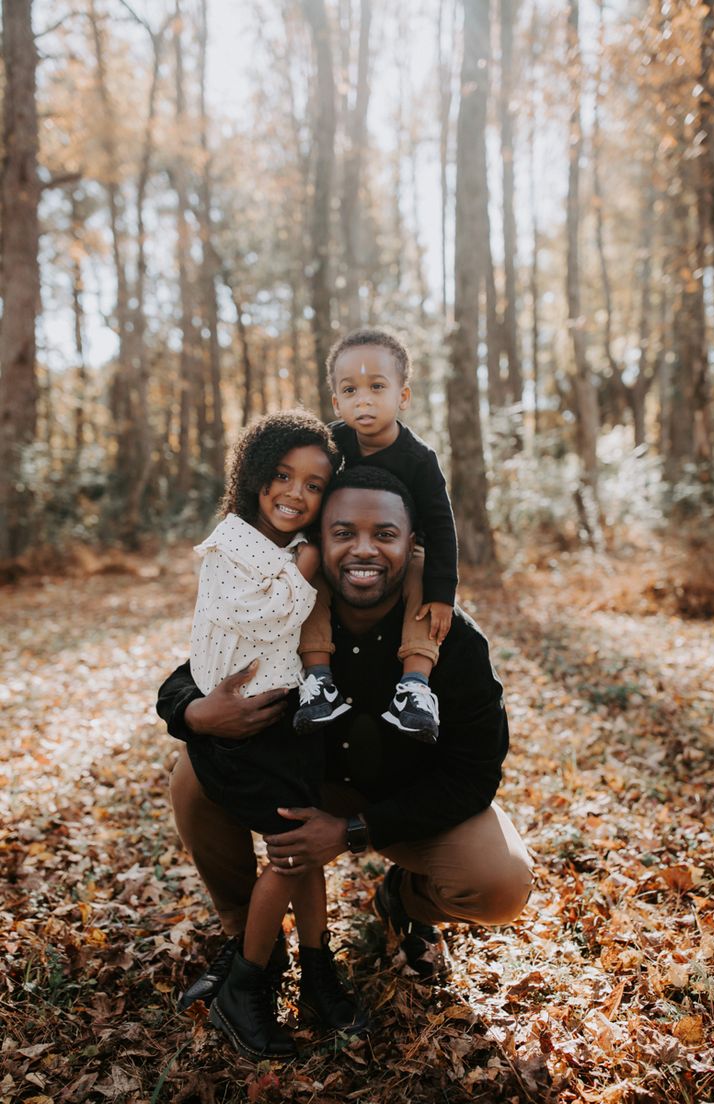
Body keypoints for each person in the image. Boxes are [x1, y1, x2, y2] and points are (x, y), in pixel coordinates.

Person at [157, 466, 533, 1055]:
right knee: (192, 773)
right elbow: (192, 676)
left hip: (405, 805)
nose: (363, 549)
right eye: (343, 532)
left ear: (412, 547)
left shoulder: (450, 636)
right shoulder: (288, 605)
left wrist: (356, 831)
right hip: (307, 785)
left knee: (501, 883)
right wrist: (197, 714)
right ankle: (248, 944)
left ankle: (401, 902)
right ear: (318, 541)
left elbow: (476, 773)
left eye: (384, 534)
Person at [183, 409, 366, 1061]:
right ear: (256, 476)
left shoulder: (288, 548)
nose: (295, 493)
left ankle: (317, 974)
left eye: (314, 484)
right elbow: (256, 619)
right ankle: (245, 985)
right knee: (290, 857)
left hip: (289, 730)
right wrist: (307, 568)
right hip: (244, 738)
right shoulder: (232, 542)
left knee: (303, 846)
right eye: (283, 476)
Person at [293, 330, 457, 744]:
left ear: (403, 396)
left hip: (402, 554)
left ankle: (415, 686)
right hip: (338, 549)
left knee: (420, 578)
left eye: (377, 387)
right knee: (309, 569)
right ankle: (318, 682)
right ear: (336, 402)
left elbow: (440, 526)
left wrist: (443, 592)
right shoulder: (330, 444)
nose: (363, 399)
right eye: (350, 390)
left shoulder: (419, 459)